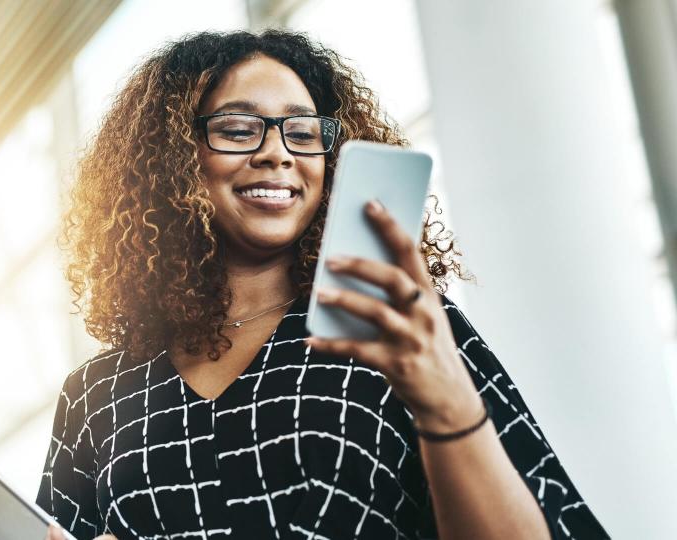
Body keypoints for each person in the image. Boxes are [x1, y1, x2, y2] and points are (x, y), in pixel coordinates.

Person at [37, 29, 608, 539]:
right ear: (171, 159)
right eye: (238, 129)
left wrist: (448, 408)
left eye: (303, 133)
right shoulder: (95, 397)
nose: (276, 153)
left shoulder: (399, 329)